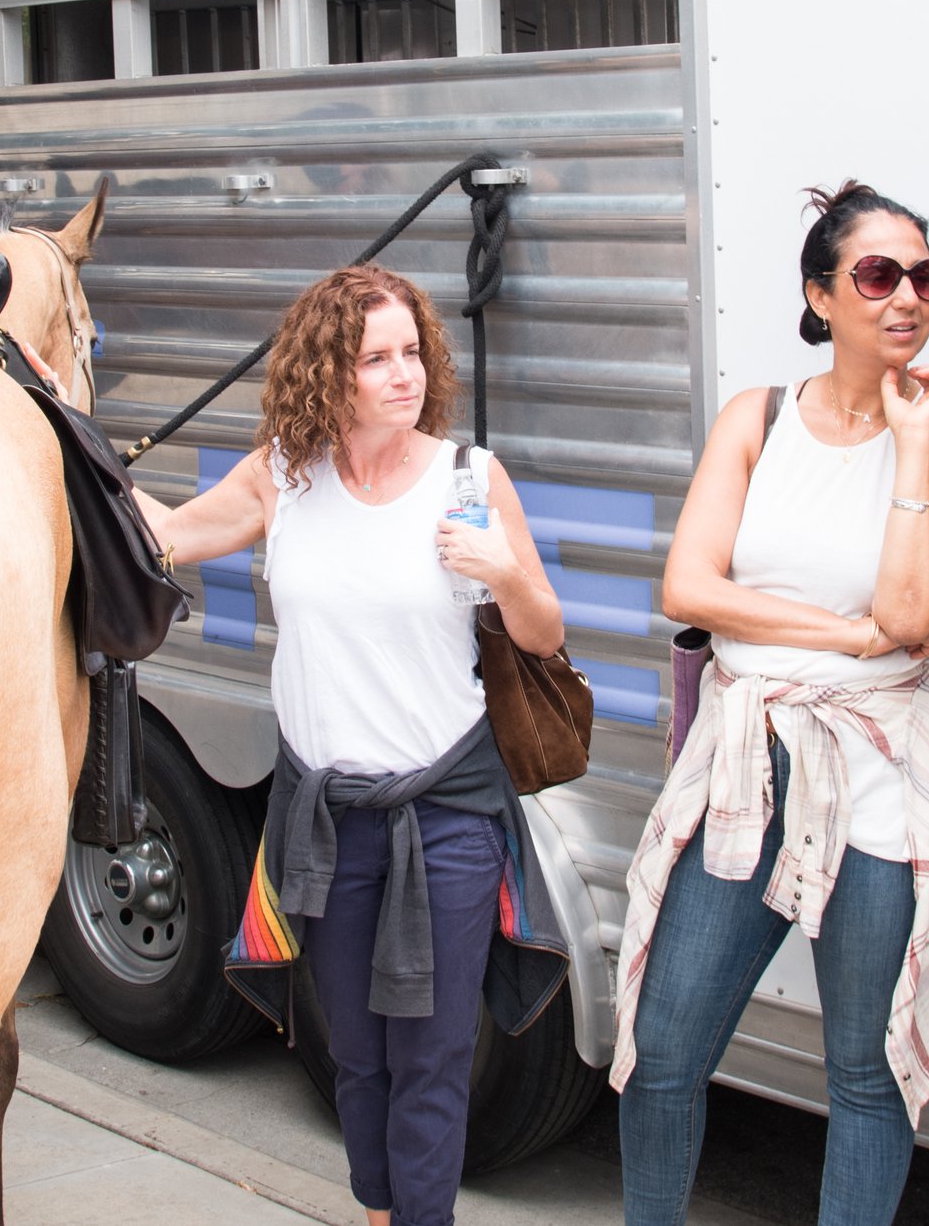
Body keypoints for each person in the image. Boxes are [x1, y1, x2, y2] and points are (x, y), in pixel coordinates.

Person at [132, 264, 569, 1226]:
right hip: (326, 819)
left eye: (411, 351)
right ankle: (380, 1212)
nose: (403, 374)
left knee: (433, 1050)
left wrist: (504, 569)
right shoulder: (283, 477)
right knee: (354, 1053)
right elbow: (164, 536)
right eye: (376, 358)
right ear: (328, 371)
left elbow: (542, 633)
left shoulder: (468, 478)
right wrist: (62, 431)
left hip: (445, 816)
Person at [611, 181, 929, 1226]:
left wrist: (911, 445)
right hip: (749, 753)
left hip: (878, 772)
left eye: (925, 275)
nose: (906, 297)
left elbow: (916, 616)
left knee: (865, 1074)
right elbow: (687, 588)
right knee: (663, 1049)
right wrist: (838, 632)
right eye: (877, 275)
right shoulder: (760, 417)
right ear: (820, 296)